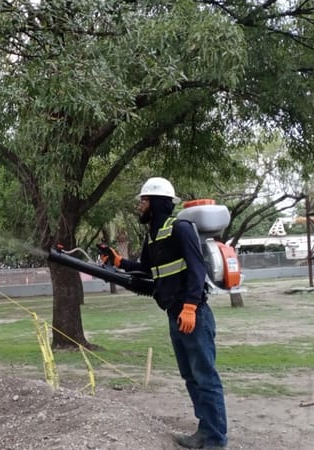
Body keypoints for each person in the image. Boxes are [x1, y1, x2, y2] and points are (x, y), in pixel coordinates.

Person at [100, 177, 228, 450]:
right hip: (174, 314)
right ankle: (205, 432)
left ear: (156, 203)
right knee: (191, 376)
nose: (139, 206)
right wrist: (118, 261)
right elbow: (146, 270)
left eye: (143, 201)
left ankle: (215, 439)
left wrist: (191, 307)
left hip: (193, 314)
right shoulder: (153, 237)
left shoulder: (180, 229)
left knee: (205, 376)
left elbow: (197, 270)